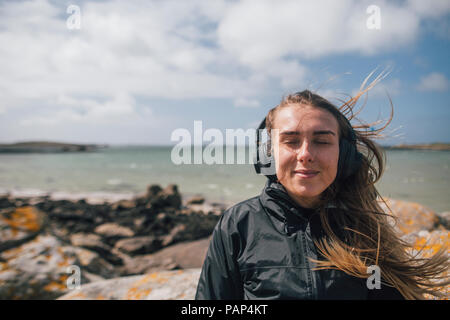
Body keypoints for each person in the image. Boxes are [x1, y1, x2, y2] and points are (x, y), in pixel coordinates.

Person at [195, 74, 449, 300]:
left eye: (322, 141)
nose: (305, 154)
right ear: (268, 153)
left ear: (345, 154)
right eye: (291, 140)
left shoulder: (367, 228)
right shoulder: (238, 224)